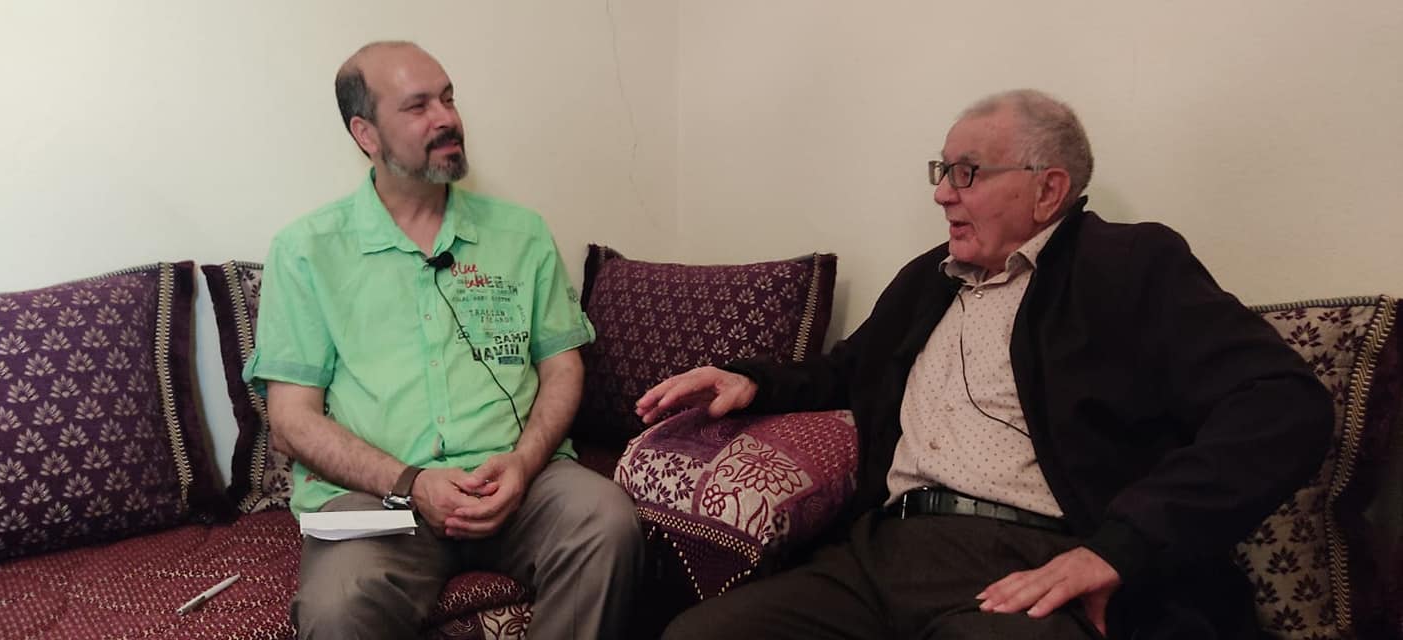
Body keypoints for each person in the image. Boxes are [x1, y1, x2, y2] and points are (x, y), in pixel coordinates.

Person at [639, 89, 1332, 639]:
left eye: (965, 173)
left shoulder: (1129, 265)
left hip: (1030, 559)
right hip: (880, 550)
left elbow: (1282, 403)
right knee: (699, 634)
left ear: (1048, 190)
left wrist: (1121, 548)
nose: (942, 193)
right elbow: (847, 370)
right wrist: (751, 379)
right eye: (941, 171)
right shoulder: (928, 280)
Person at [244, 41, 641, 640]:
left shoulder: (521, 234)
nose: (446, 118)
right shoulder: (307, 251)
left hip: (519, 482)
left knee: (607, 522)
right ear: (365, 134)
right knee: (338, 608)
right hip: (377, 500)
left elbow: (562, 368)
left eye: (448, 99)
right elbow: (292, 421)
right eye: (417, 106)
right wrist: (411, 483)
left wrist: (524, 462)